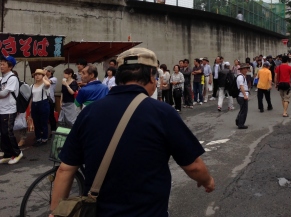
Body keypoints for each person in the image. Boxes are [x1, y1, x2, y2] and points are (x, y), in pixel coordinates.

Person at [50, 48, 214, 216]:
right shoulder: (162, 112)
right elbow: (194, 166)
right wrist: (207, 181)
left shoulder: (90, 112)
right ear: (151, 76)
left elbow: (65, 169)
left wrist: (55, 212)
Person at [0, 56, 23, 164]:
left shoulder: (12, 78)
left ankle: (18, 153)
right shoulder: (2, 78)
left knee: (8, 132)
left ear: (10, 66)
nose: (1, 66)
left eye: (3, 64)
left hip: (9, 109)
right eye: (0, 64)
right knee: (3, 133)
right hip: (1, 109)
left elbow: (4, 94)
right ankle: (8, 154)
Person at [30, 69, 51, 147]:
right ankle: (38, 138)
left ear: (42, 76)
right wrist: (30, 108)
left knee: (43, 123)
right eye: (36, 74)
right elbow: (31, 98)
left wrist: (44, 76)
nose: (37, 76)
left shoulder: (44, 84)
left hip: (43, 104)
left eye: (39, 74)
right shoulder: (32, 86)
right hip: (34, 104)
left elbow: (48, 84)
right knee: (36, 123)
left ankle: (44, 138)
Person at [235, 63, 250, 129]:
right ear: (241, 70)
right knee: (244, 110)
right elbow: (241, 86)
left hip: (242, 95)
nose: (246, 70)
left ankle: (239, 121)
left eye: (246, 69)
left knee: (242, 110)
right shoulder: (240, 77)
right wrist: (244, 95)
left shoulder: (242, 76)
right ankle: (241, 124)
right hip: (242, 95)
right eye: (244, 69)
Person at [44, 66, 57, 137]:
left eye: (46, 70)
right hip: (43, 99)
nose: (44, 71)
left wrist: (44, 75)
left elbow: (48, 82)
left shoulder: (54, 79)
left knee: (51, 116)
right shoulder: (43, 78)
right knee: (43, 116)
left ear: (50, 72)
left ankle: (53, 130)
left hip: (50, 99)